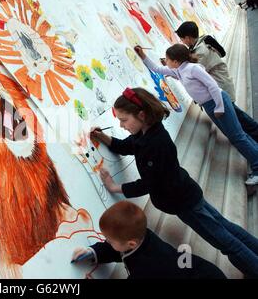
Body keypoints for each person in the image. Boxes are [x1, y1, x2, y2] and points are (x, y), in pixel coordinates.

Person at [90, 87, 258, 277]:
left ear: (142, 115)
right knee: (224, 226)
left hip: (184, 202)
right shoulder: (144, 133)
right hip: (187, 193)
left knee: (225, 242)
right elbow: (126, 146)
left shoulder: (156, 143)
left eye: (124, 120)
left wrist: (116, 187)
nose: (121, 125)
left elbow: (149, 183)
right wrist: (103, 137)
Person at [134, 44, 258, 186]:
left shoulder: (192, 69)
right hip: (209, 105)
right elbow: (157, 69)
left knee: (237, 136)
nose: (165, 61)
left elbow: (212, 85)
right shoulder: (179, 71)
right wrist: (142, 55)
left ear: (175, 61)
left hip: (217, 102)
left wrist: (219, 106)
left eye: (167, 59)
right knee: (237, 135)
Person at [72, 201, 226, 279]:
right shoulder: (140, 235)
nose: (107, 242)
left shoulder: (145, 269)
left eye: (109, 240)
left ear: (131, 243)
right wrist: (93, 251)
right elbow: (115, 249)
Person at [175, 21, 258, 144]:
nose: (182, 42)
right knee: (237, 116)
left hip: (220, 87)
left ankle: (253, 138)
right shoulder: (201, 44)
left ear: (187, 38)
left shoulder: (200, 51)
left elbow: (190, 73)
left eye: (182, 39)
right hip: (221, 85)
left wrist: (173, 66)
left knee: (238, 118)